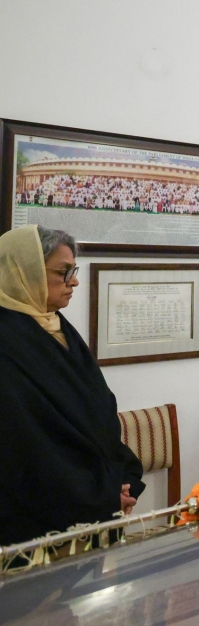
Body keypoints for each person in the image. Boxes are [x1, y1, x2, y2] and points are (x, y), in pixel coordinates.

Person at [0, 225, 145, 546]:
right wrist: (100, 495)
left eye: (73, 271)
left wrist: (120, 479)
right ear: (24, 272)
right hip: (38, 519)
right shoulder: (7, 337)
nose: (75, 281)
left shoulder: (55, 323)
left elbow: (95, 415)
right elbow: (27, 442)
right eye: (64, 272)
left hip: (93, 498)